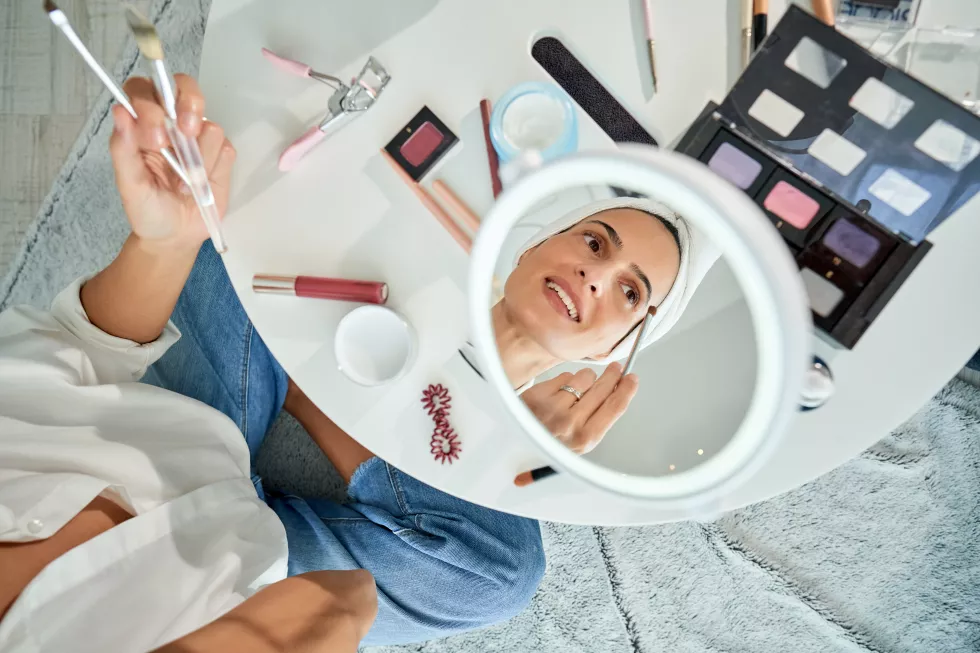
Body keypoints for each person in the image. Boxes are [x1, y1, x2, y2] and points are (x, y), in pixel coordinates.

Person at [0, 75, 544, 652]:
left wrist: (163, 244)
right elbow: (342, 599)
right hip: (246, 581)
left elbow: (73, 348)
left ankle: (295, 389)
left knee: (253, 214)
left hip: (166, 423)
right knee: (495, 572)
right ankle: (296, 384)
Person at [476, 197, 718, 454]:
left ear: (612, 348)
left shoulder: (503, 448)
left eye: (629, 292)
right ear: (533, 248)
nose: (595, 277)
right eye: (594, 243)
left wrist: (507, 450)